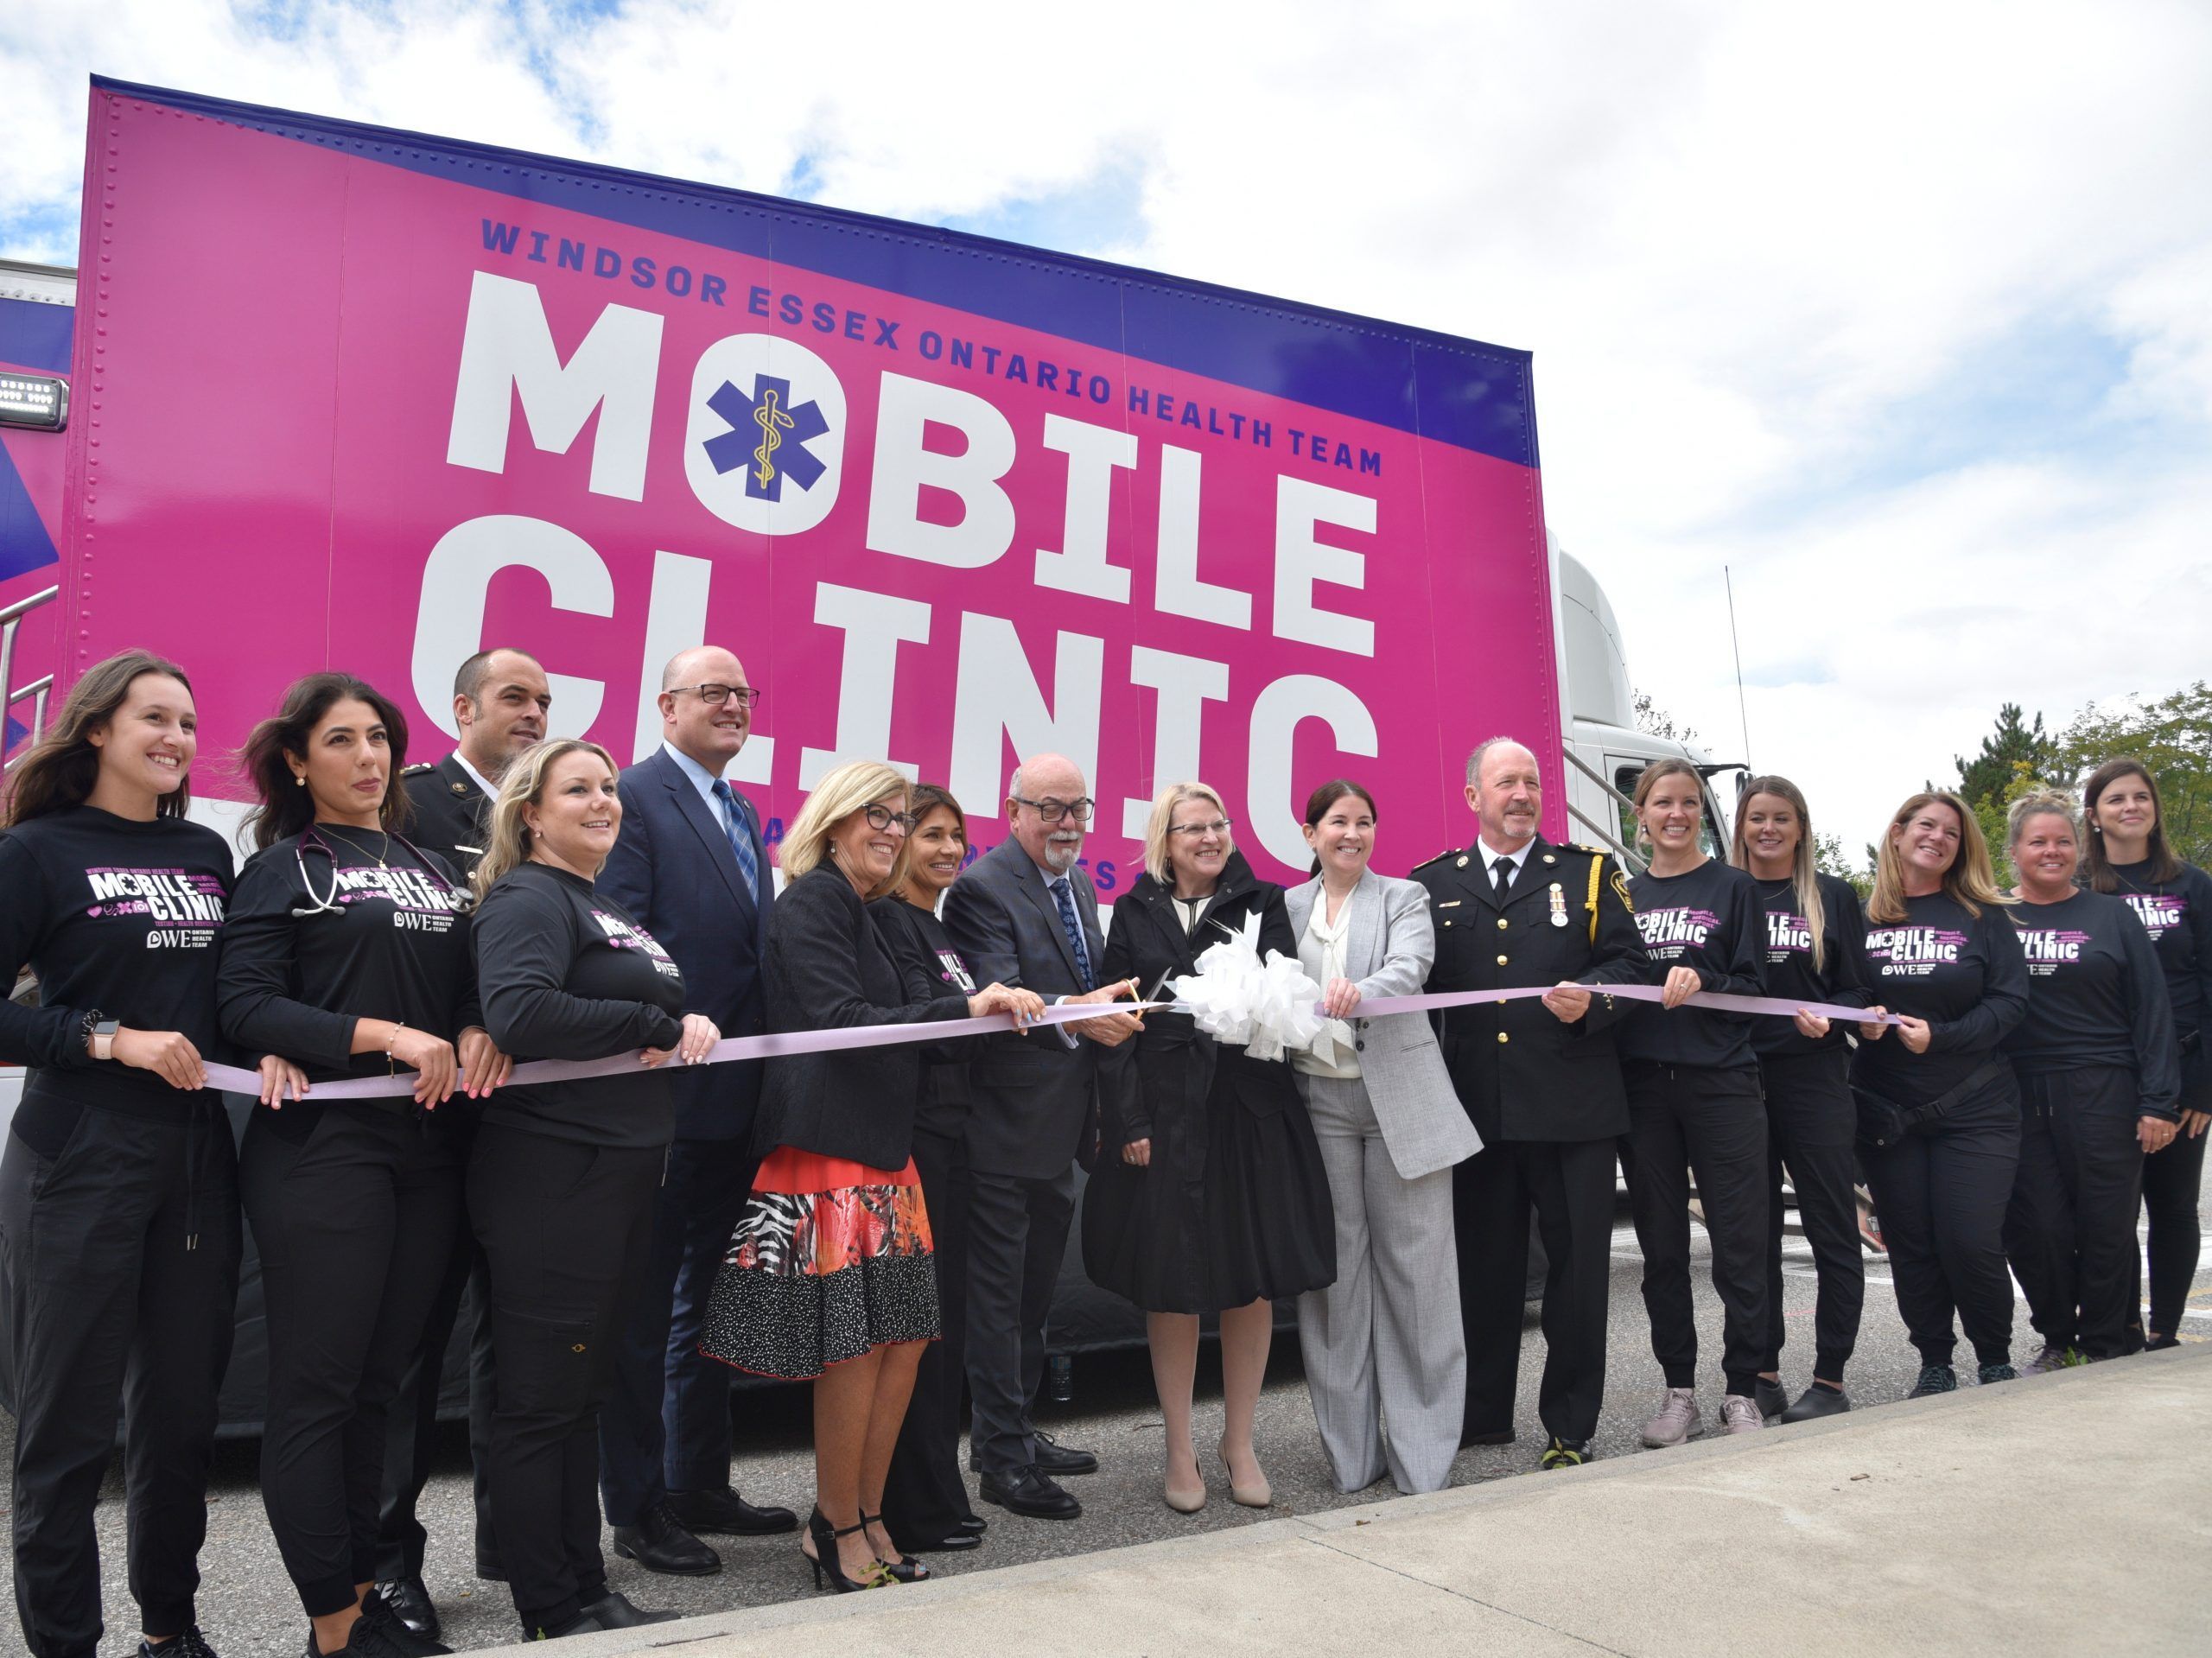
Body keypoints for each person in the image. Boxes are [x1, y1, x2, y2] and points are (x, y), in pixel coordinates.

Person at [700, 761, 1043, 1593]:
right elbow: (839, 1022)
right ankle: (835, 1523)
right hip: (831, 1146)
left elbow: (911, 1009)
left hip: (887, 1148)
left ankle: (869, 1514)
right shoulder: (814, 898)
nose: (891, 830)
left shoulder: (870, 909)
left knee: (906, 1339)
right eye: (876, 815)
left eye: (899, 817)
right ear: (832, 818)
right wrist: (964, 1007)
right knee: (854, 1349)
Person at [218, 672, 505, 1658]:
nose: (369, 755)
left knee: (383, 1382)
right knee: (321, 1386)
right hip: (323, 1152)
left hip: (427, 1152)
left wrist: (468, 1026)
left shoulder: (429, 861)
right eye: (340, 739)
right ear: (298, 760)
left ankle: (370, 1584)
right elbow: (244, 1005)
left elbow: (466, 983)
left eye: (379, 735)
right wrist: (383, 1033)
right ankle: (335, 1620)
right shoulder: (284, 864)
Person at [0, 651, 280, 1658]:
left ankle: (171, 1627)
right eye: (153, 717)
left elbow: (231, 1002)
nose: (174, 738)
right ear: (97, 731)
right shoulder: (34, 850)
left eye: (188, 723)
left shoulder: (207, 852)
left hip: (197, 1156)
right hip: (79, 1152)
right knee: (66, 1425)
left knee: (177, 1417)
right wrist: (104, 1036)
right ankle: (66, 1642)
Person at [467, 740, 720, 1641]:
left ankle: (584, 1585)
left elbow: (654, 1009)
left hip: (616, 1179)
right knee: (541, 1403)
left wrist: (685, 1015)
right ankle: (548, 1602)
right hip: (553, 1179)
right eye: (578, 788)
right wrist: (653, 1018)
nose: (604, 800)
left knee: (579, 1398)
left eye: (610, 786)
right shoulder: (528, 896)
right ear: (530, 811)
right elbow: (519, 1012)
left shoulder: (599, 902)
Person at [1082, 783, 1335, 1511]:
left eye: (1218, 824)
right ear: (1166, 841)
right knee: (1172, 1282)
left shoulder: (1263, 902)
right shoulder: (1133, 911)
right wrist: (1128, 1123)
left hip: (1247, 1114)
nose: (1211, 837)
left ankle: (1240, 1442)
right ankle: (1180, 1449)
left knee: (1248, 1280)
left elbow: (1290, 1003)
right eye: (1194, 827)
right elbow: (1112, 1021)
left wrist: (1254, 999)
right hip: (1164, 1117)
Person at [596, 646, 792, 1578]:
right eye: (713, 692)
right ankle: (639, 1509)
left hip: (736, 1101)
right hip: (664, 1097)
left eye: (744, 694)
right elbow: (623, 932)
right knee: (642, 1310)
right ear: (665, 704)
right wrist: (674, 1023)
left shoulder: (739, 808)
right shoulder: (634, 796)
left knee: (712, 1300)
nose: (733, 705)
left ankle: (697, 1479)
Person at [377, 646, 549, 1639]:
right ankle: (393, 1562)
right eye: (515, 697)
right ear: (464, 708)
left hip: (527, 1121)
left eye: (544, 701)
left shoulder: (548, 809)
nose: (532, 712)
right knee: (409, 1349)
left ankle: (516, 1545)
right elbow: (416, 944)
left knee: (517, 1343)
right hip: (433, 1115)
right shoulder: (410, 803)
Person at [1417, 738, 1648, 1471]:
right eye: (1506, 782)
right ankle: (1482, 1414)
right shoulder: (1432, 885)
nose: (1522, 793)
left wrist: (1597, 999)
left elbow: (1630, 963)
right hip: (1479, 1112)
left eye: (1531, 781)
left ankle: (1570, 1425)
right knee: (1484, 1272)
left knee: (1578, 1277)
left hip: (1573, 1109)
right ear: (1472, 798)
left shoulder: (1588, 874)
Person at [940, 753, 1142, 1521]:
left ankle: (1018, 1427)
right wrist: (1078, 1012)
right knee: (995, 1298)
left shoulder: (1077, 884)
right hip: (1001, 1130)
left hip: (1062, 1128)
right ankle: (999, 1458)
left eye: (1078, 809)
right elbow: (1000, 995)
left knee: (1031, 1294)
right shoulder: (983, 888)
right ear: (1013, 809)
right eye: (1051, 808)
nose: (1067, 823)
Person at [1287, 779, 1477, 1495]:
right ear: (1311, 833)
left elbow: (1411, 968)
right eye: (1338, 822)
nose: (1353, 833)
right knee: (1337, 1287)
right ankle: (1352, 1457)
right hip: (1319, 1106)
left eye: (1365, 821)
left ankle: (1424, 1455)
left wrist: (1361, 989)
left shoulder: (1404, 898)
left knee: (1419, 1282)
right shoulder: (1287, 908)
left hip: (1401, 1102)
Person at [1850, 791, 2031, 1395]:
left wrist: (1944, 1038)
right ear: (1898, 832)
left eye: (1951, 832)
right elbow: (1838, 990)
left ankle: (1995, 1356)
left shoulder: (1982, 915)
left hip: (1976, 1107)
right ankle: (1934, 1360)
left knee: (1971, 1237)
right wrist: (1860, 1016)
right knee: (1911, 1242)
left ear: (1962, 848)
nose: (1937, 837)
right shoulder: (1861, 915)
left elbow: (2011, 1002)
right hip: (1888, 1114)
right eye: (1926, 825)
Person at [1617, 759, 1772, 1445]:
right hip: (1645, 1088)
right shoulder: (1624, 893)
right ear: (1640, 815)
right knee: (1662, 1248)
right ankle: (1678, 1389)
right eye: (1661, 803)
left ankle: (1742, 1389)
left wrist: (1702, 974)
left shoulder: (1734, 888)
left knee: (1740, 1242)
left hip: (1722, 1083)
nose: (1675, 814)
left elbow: (1756, 987)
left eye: (1686, 803)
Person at [2000, 793, 2179, 1369]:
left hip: (2104, 1087)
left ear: (2078, 848)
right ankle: (2058, 1337)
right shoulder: (1994, 918)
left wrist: (2159, 1101)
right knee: (2038, 1227)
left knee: (2106, 1225)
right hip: (2020, 1092)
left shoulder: (2112, 915)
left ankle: (2105, 1343)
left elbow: (2153, 1012)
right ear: (2014, 851)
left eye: (2063, 840)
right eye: (2039, 841)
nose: (2052, 851)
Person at [1731, 776, 1877, 1422]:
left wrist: (1830, 1015)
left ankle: (1831, 1378)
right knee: (1751, 1236)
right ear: (1741, 826)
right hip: (1739, 1081)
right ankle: (1761, 1371)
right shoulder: (1725, 892)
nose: (1768, 829)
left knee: (1830, 1229)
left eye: (1780, 818)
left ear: (1800, 826)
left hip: (1815, 1078)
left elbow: (1858, 989)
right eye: (1757, 817)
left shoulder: (1833, 896)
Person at [872, 785, 991, 1554]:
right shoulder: (888, 922)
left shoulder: (942, 929)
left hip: (955, 1140)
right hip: (911, 1141)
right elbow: (932, 1024)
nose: (948, 850)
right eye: (932, 835)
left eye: (957, 837)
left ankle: (936, 1492)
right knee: (911, 1325)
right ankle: (908, 1503)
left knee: (941, 1322)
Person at [2081, 758, 2212, 1350]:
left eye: (2141, 797)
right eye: (2116, 799)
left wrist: (2204, 1087)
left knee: (2172, 1201)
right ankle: (2122, 1326)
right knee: (2111, 1208)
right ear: (2094, 814)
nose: (2131, 807)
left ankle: (2163, 1331)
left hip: (2184, 1067)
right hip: (2108, 1069)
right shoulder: (2080, 888)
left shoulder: (2193, 884)